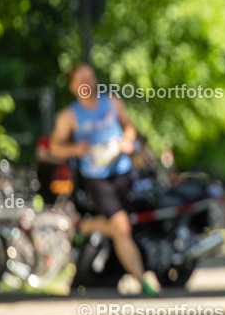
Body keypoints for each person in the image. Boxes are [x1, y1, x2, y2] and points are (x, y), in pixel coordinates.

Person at [49, 63, 161, 296]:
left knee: (126, 226)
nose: (87, 83)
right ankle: (142, 280)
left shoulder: (112, 102)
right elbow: (54, 147)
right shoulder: (69, 116)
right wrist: (74, 149)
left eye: (90, 78)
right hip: (96, 177)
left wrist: (127, 141)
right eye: (81, 80)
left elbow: (129, 126)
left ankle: (87, 226)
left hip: (122, 171)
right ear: (72, 86)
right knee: (121, 227)